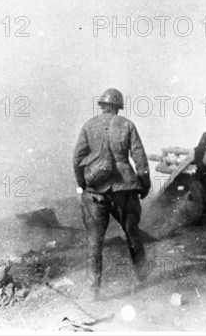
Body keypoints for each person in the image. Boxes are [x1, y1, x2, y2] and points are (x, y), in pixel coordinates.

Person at [73, 88, 151, 298]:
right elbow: (140, 159)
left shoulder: (89, 126)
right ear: (118, 106)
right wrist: (144, 185)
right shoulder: (127, 124)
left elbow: (77, 158)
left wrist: (83, 184)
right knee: (132, 232)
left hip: (95, 192)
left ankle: (93, 290)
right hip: (124, 188)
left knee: (94, 241)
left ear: (102, 105)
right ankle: (142, 279)